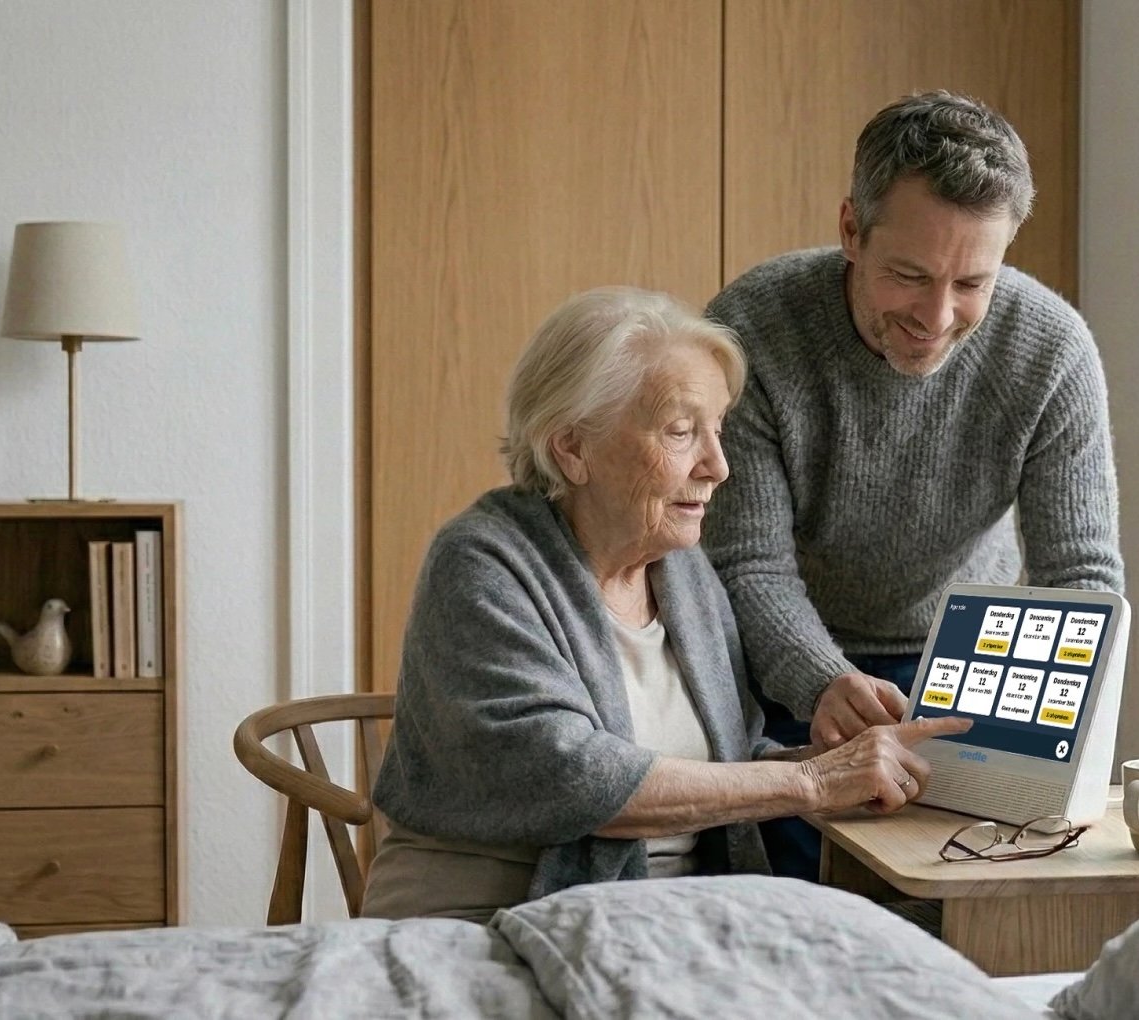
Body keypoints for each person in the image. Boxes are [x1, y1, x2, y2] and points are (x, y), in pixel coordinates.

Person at [360, 286, 972, 923]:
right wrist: (809, 783)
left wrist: (819, 765)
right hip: (488, 914)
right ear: (572, 447)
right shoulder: (483, 563)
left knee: (930, 940)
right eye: (682, 433)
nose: (718, 466)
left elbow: (728, 760)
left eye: (718, 431)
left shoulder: (683, 572)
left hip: (660, 918)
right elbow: (571, 776)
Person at [701, 90, 1124, 879]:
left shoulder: (1052, 351)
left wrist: (1065, 748)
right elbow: (749, 565)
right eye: (909, 275)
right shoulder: (751, 331)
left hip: (968, 660)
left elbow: (1082, 580)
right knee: (802, 892)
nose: (936, 315)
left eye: (972, 283)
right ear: (851, 232)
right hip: (782, 665)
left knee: (980, 887)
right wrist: (824, 681)